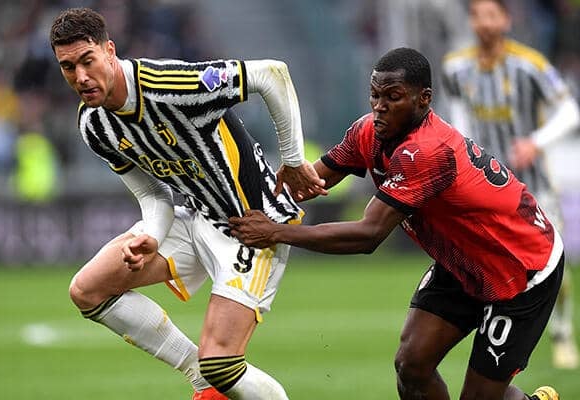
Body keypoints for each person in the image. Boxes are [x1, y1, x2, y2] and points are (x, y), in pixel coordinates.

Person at [229, 47, 562, 400]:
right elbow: (309, 183)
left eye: (393, 97)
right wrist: (239, 200)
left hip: (520, 269)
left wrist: (276, 232)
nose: (380, 106)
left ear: (424, 98)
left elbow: (368, 234)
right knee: (411, 366)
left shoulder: (428, 151)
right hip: (462, 261)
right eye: (375, 95)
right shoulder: (367, 131)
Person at [49, 8, 326, 400]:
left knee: (222, 364)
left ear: (109, 51)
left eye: (87, 61)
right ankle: (198, 374)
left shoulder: (169, 85)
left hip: (255, 226)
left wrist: (294, 160)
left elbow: (271, 74)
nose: (80, 76)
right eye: (68, 67)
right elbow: (152, 194)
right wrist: (151, 235)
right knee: (87, 290)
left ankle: (211, 372)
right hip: (199, 217)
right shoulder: (94, 124)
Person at [441, 0, 580, 370]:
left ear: (506, 19)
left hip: (534, 187)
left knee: (555, 263)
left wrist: (535, 142)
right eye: (477, 15)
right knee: (490, 265)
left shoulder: (530, 65)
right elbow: (458, 120)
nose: (484, 23)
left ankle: (563, 331)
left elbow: (571, 113)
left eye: (491, 15)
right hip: (486, 189)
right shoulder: (455, 68)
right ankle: (495, 339)